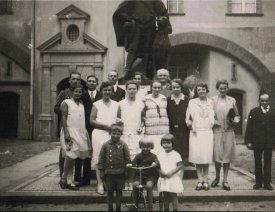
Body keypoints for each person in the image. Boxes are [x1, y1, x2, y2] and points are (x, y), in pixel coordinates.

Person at [113, 0, 171, 80]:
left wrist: (163, 20)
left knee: (147, 49)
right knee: (132, 48)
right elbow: (120, 11)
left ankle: (144, 73)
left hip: (150, 25)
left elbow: (163, 12)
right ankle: (126, 72)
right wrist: (129, 19)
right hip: (137, 25)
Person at [59, 84, 92, 190]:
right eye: (76, 91)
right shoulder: (66, 102)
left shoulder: (81, 104)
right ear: (71, 92)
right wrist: (66, 133)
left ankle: (69, 181)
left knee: (74, 156)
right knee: (70, 155)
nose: (78, 93)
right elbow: (63, 118)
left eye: (80, 92)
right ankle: (64, 179)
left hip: (80, 132)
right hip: (70, 131)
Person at [90, 81, 119, 195]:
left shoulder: (116, 104)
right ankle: (100, 183)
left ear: (112, 92)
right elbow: (91, 120)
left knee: (110, 158)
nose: (107, 92)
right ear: (101, 91)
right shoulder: (96, 104)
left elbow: (119, 119)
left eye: (109, 90)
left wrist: (116, 126)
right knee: (98, 158)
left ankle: (108, 182)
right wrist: (105, 126)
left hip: (112, 135)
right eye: (105, 90)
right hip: (99, 134)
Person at [211, 80, 240, 191]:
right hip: (217, 131)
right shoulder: (212, 100)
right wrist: (214, 121)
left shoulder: (232, 100)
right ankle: (217, 178)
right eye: (221, 88)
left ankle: (225, 180)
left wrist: (235, 120)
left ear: (227, 88)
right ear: (217, 88)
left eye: (225, 88)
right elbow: (209, 115)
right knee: (217, 156)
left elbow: (237, 115)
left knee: (227, 156)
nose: (223, 90)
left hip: (228, 131)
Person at [186, 82, 215, 191]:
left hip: (207, 132)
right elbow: (188, 117)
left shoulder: (211, 102)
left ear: (206, 90)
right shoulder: (192, 102)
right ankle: (199, 180)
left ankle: (206, 180)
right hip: (196, 133)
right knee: (197, 157)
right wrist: (189, 123)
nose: (201, 91)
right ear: (196, 92)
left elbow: (214, 116)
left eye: (203, 89)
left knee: (206, 157)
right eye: (199, 90)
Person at [54, 71, 82, 184]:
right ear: (69, 80)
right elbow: (55, 108)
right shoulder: (64, 93)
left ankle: (74, 176)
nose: (75, 81)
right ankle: (63, 176)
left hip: (78, 127)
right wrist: (66, 108)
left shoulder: (81, 92)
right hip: (66, 126)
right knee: (65, 152)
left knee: (76, 152)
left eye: (77, 79)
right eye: (73, 79)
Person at [74, 74, 102, 187]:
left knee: (99, 152)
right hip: (84, 128)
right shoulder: (82, 95)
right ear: (86, 83)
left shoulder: (101, 95)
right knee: (84, 154)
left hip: (98, 128)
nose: (91, 83)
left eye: (93, 81)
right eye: (89, 81)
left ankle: (101, 178)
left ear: (97, 83)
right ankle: (84, 179)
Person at [98, 121, 131, 211]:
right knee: (109, 192)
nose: (116, 135)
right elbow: (101, 159)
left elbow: (128, 159)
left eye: (118, 134)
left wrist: (127, 172)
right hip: (109, 173)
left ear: (121, 134)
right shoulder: (105, 145)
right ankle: (110, 208)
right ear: (110, 133)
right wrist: (101, 171)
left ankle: (118, 208)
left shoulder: (124, 145)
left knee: (119, 191)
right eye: (113, 133)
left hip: (120, 173)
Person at [117, 80, 145, 190]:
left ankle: (131, 180)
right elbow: (118, 118)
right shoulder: (121, 103)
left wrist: (141, 126)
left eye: (134, 89)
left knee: (134, 160)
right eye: (130, 88)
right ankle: (125, 180)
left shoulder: (141, 104)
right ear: (126, 89)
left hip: (136, 134)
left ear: (137, 90)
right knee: (124, 159)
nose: (132, 90)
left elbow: (143, 119)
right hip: (124, 134)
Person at [245, 93, 275, 191]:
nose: (264, 102)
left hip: (269, 141)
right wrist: (248, 141)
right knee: (257, 162)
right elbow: (249, 127)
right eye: (262, 101)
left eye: (266, 101)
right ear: (259, 101)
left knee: (268, 161)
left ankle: (267, 183)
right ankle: (258, 182)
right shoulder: (254, 112)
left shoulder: (273, 112)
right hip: (257, 141)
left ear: (269, 101)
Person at [157, 134, 184, 211]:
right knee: (165, 195)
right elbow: (157, 166)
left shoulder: (176, 154)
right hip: (164, 178)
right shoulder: (160, 155)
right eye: (164, 143)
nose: (166, 145)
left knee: (173, 195)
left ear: (173, 144)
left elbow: (180, 166)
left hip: (172, 178)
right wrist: (160, 172)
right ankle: (166, 209)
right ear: (161, 144)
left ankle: (175, 209)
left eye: (168, 143)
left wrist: (171, 173)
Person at [167, 79, 190, 166]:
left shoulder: (187, 99)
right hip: (172, 127)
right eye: (174, 87)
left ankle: (184, 163)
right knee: (174, 144)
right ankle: (174, 163)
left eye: (178, 87)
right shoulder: (168, 100)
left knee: (184, 144)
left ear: (181, 88)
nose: (176, 89)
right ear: (171, 88)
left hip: (184, 128)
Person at [131, 139, 159, 211]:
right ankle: (135, 204)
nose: (145, 148)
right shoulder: (138, 156)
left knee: (149, 186)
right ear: (140, 147)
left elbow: (156, 162)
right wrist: (131, 164)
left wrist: (154, 163)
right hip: (139, 176)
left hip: (150, 176)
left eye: (148, 147)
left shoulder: (153, 156)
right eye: (143, 147)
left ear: (151, 147)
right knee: (135, 185)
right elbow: (133, 162)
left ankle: (150, 206)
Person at [143, 80, 169, 155]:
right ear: (151, 88)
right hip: (151, 129)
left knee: (162, 150)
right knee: (152, 149)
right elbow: (142, 114)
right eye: (155, 87)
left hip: (163, 128)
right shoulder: (145, 99)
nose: (157, 89)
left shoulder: (164, 98)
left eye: (158, 87)